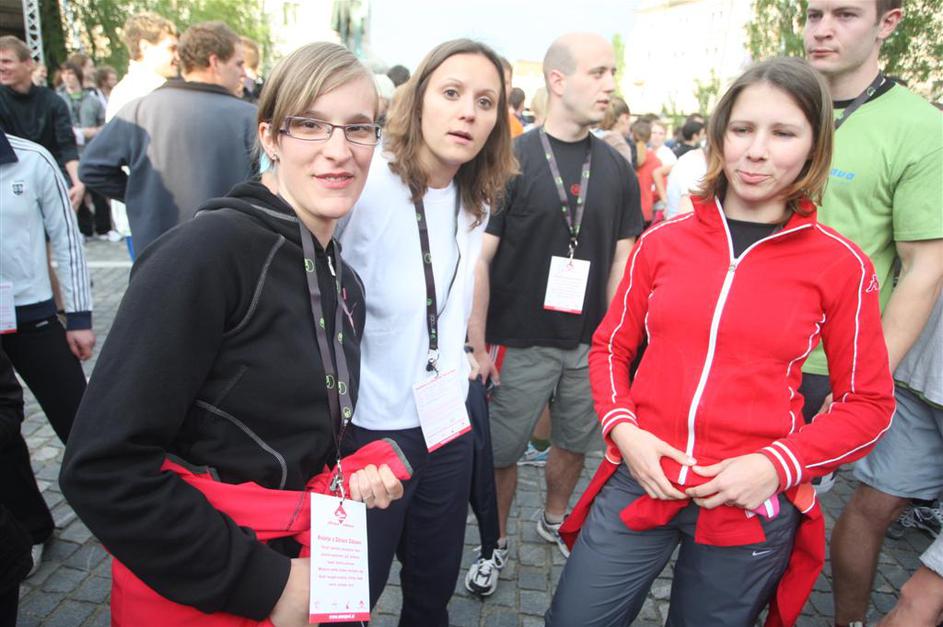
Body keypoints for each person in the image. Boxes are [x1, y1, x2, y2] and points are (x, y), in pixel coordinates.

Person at [60, 41, 405, 625]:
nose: (339, 150)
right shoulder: (203, 255)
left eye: (358, 128)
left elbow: (285, 434)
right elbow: (101, 469)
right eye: (310, 125)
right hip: (213, 588)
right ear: (269, 137)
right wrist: (267, 584)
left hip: (300, 561)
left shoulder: (344, 282)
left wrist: (348, 470)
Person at [545, 56, 895, 627]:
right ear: (719, 135)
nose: (756, 151)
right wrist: (625, 432)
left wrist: (776, 465)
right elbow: (611, 347)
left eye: (783, 133)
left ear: (814, 146)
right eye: (742, 129)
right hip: (643, 474)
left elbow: (870, 403)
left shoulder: (842, 265)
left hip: (748, 497)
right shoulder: (663, 242)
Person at [336, 38, 516, 624]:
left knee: (432, 589)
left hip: (446, 422)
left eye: (485, 102)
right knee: (348, 598)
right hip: (369, 428)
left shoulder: (473, 195)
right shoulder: (364, 184)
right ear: (418, 101)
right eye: (452, 93)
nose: (468, 112)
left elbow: (464, 279)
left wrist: (472, 345)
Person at [469, 31, 643, 574]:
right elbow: (480, 258)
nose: (609, 85)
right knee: (500, 452)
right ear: (558, 81)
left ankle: (554, 518)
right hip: (517, 341)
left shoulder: (616, 168)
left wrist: (615, 343)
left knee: (574, 442)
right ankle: (494, 543)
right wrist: (477, 344)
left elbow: (621, 261)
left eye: (612, 73)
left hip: (588, 343)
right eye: (598, 73)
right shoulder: (512, 160)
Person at [799, 2, 943, 623]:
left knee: (778, 525)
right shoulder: (781, 101)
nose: (822, 29)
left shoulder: (919, 126)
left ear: (888, 23)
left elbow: (925, 268)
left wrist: (861, 382)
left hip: (821, 369)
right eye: (813, 13)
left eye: (845, 14)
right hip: (736, 348)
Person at [0, 130, 94, 577]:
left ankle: (122, 500)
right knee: (4, 434)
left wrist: (78, 316)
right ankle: (32, 528)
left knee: (80, 417)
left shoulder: (31, 158)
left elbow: (67, 237)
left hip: (33, 313)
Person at [80, 21, 256, 256]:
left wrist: (143, 198)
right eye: (239, 64)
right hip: (228, 254)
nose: (243, 72)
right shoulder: (249, 117)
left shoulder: (139, 111)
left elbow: (91, 168)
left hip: (158, 257)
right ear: (215, 62)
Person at [0, 36, 83, 209]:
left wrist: (78, 182)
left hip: (51, 179)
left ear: (28, 64)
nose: (1, 67)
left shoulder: (53, 102)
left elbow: (67, 146)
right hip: (11, 185)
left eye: (6, 61)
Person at [57, 61, 113, 239]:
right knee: (75, 190)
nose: (67, 77)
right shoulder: (58, 100)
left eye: (71, 73)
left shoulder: (93, 100)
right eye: (64, 74)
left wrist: (92, 132)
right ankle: (84, 229)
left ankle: (104, 228)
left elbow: (106, 125)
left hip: (91, 150)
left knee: (98, 190)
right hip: (69, 152)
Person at [630, 119, 666, 225]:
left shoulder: (626, 155)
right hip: (645, 212)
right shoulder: (655, 160)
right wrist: (649, 197)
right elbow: (660, 190)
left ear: (632, 135)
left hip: (627, 210)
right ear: (649, 137)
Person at [596, 96, 634, 165]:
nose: (630, 122)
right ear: (624, 117)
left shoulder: (594, 137)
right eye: (628, 118)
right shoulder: (619, 144)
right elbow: (624, 171)